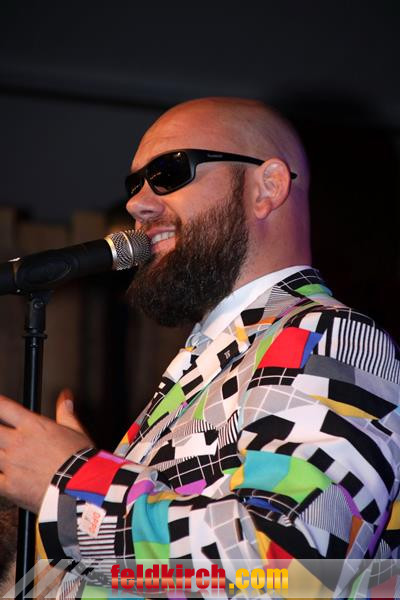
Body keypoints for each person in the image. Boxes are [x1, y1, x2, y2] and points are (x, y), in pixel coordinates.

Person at [0, 97, 399, 598]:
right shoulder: (216, 357)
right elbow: (158, 577)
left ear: (268, 188)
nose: (137, 204)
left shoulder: (329, 337)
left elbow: (291, 570)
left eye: (169, 172)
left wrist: (73, 483)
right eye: (134, 184)